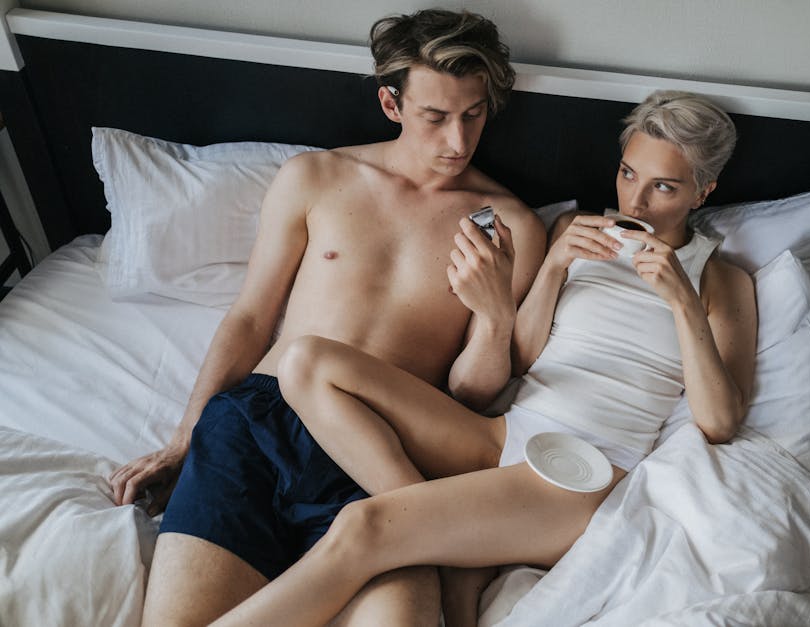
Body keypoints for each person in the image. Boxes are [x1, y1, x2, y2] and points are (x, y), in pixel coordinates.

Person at [206, 89, 758, 627]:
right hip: (502, 433)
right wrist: (555, 267)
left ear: (702, 192)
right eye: (628, 174)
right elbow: (518, 363)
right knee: (305, 362)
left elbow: (719, 421)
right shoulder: (574, 232)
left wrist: (682, 299)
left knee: (363, 527)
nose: (634, 202)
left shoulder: (720, 280)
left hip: (581, 469)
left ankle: (446, 549)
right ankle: (450, 546)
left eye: (663, 187)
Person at [107, 9, 547, 627]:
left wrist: (496, 315)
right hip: (259, 425)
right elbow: (252, 317)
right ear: (391, 104)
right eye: (435, 117)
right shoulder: (316, 177)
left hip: (382, 451)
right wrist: (185, 439)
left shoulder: (512, 227)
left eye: (473, 115)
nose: (457, 140)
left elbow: (469, 394)